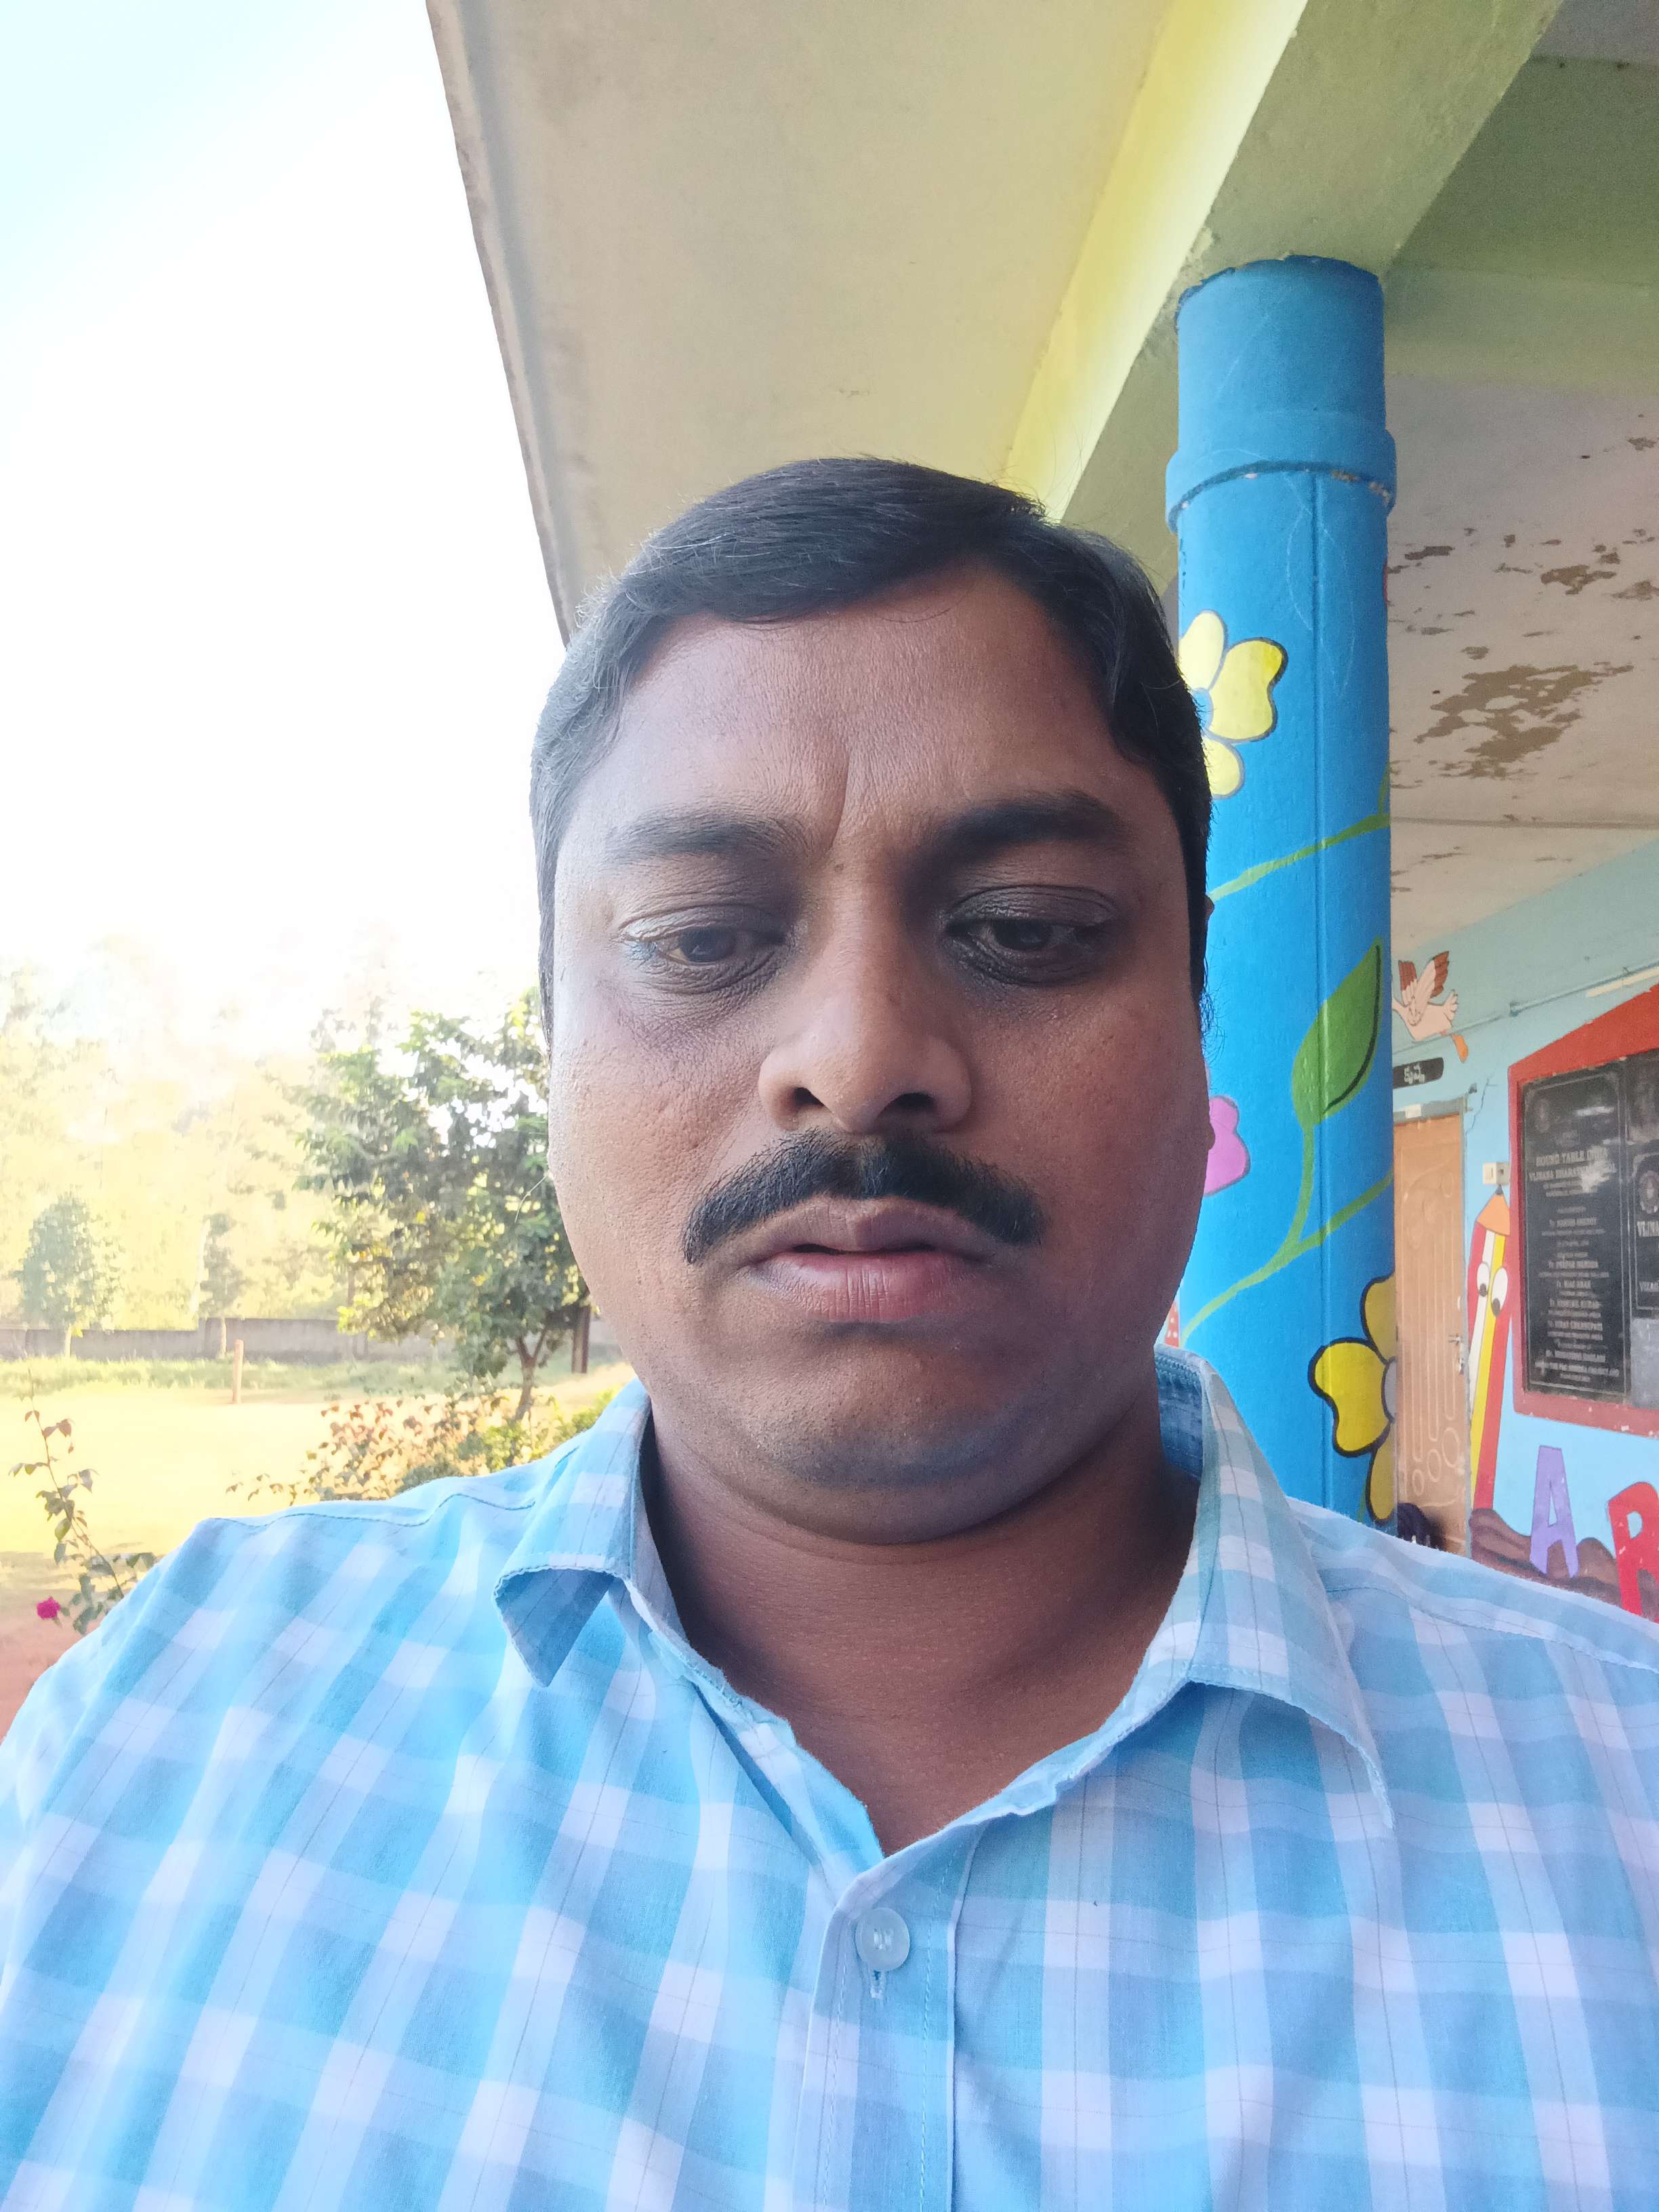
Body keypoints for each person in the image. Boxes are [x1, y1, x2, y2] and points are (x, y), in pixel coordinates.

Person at [3, 459, 1656, 2210]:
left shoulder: (1620, 1803)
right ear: (554, 1049)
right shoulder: (173, 1726)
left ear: (1198, 1030)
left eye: (1027, 929)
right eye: (701, 939)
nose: (859, 1058)